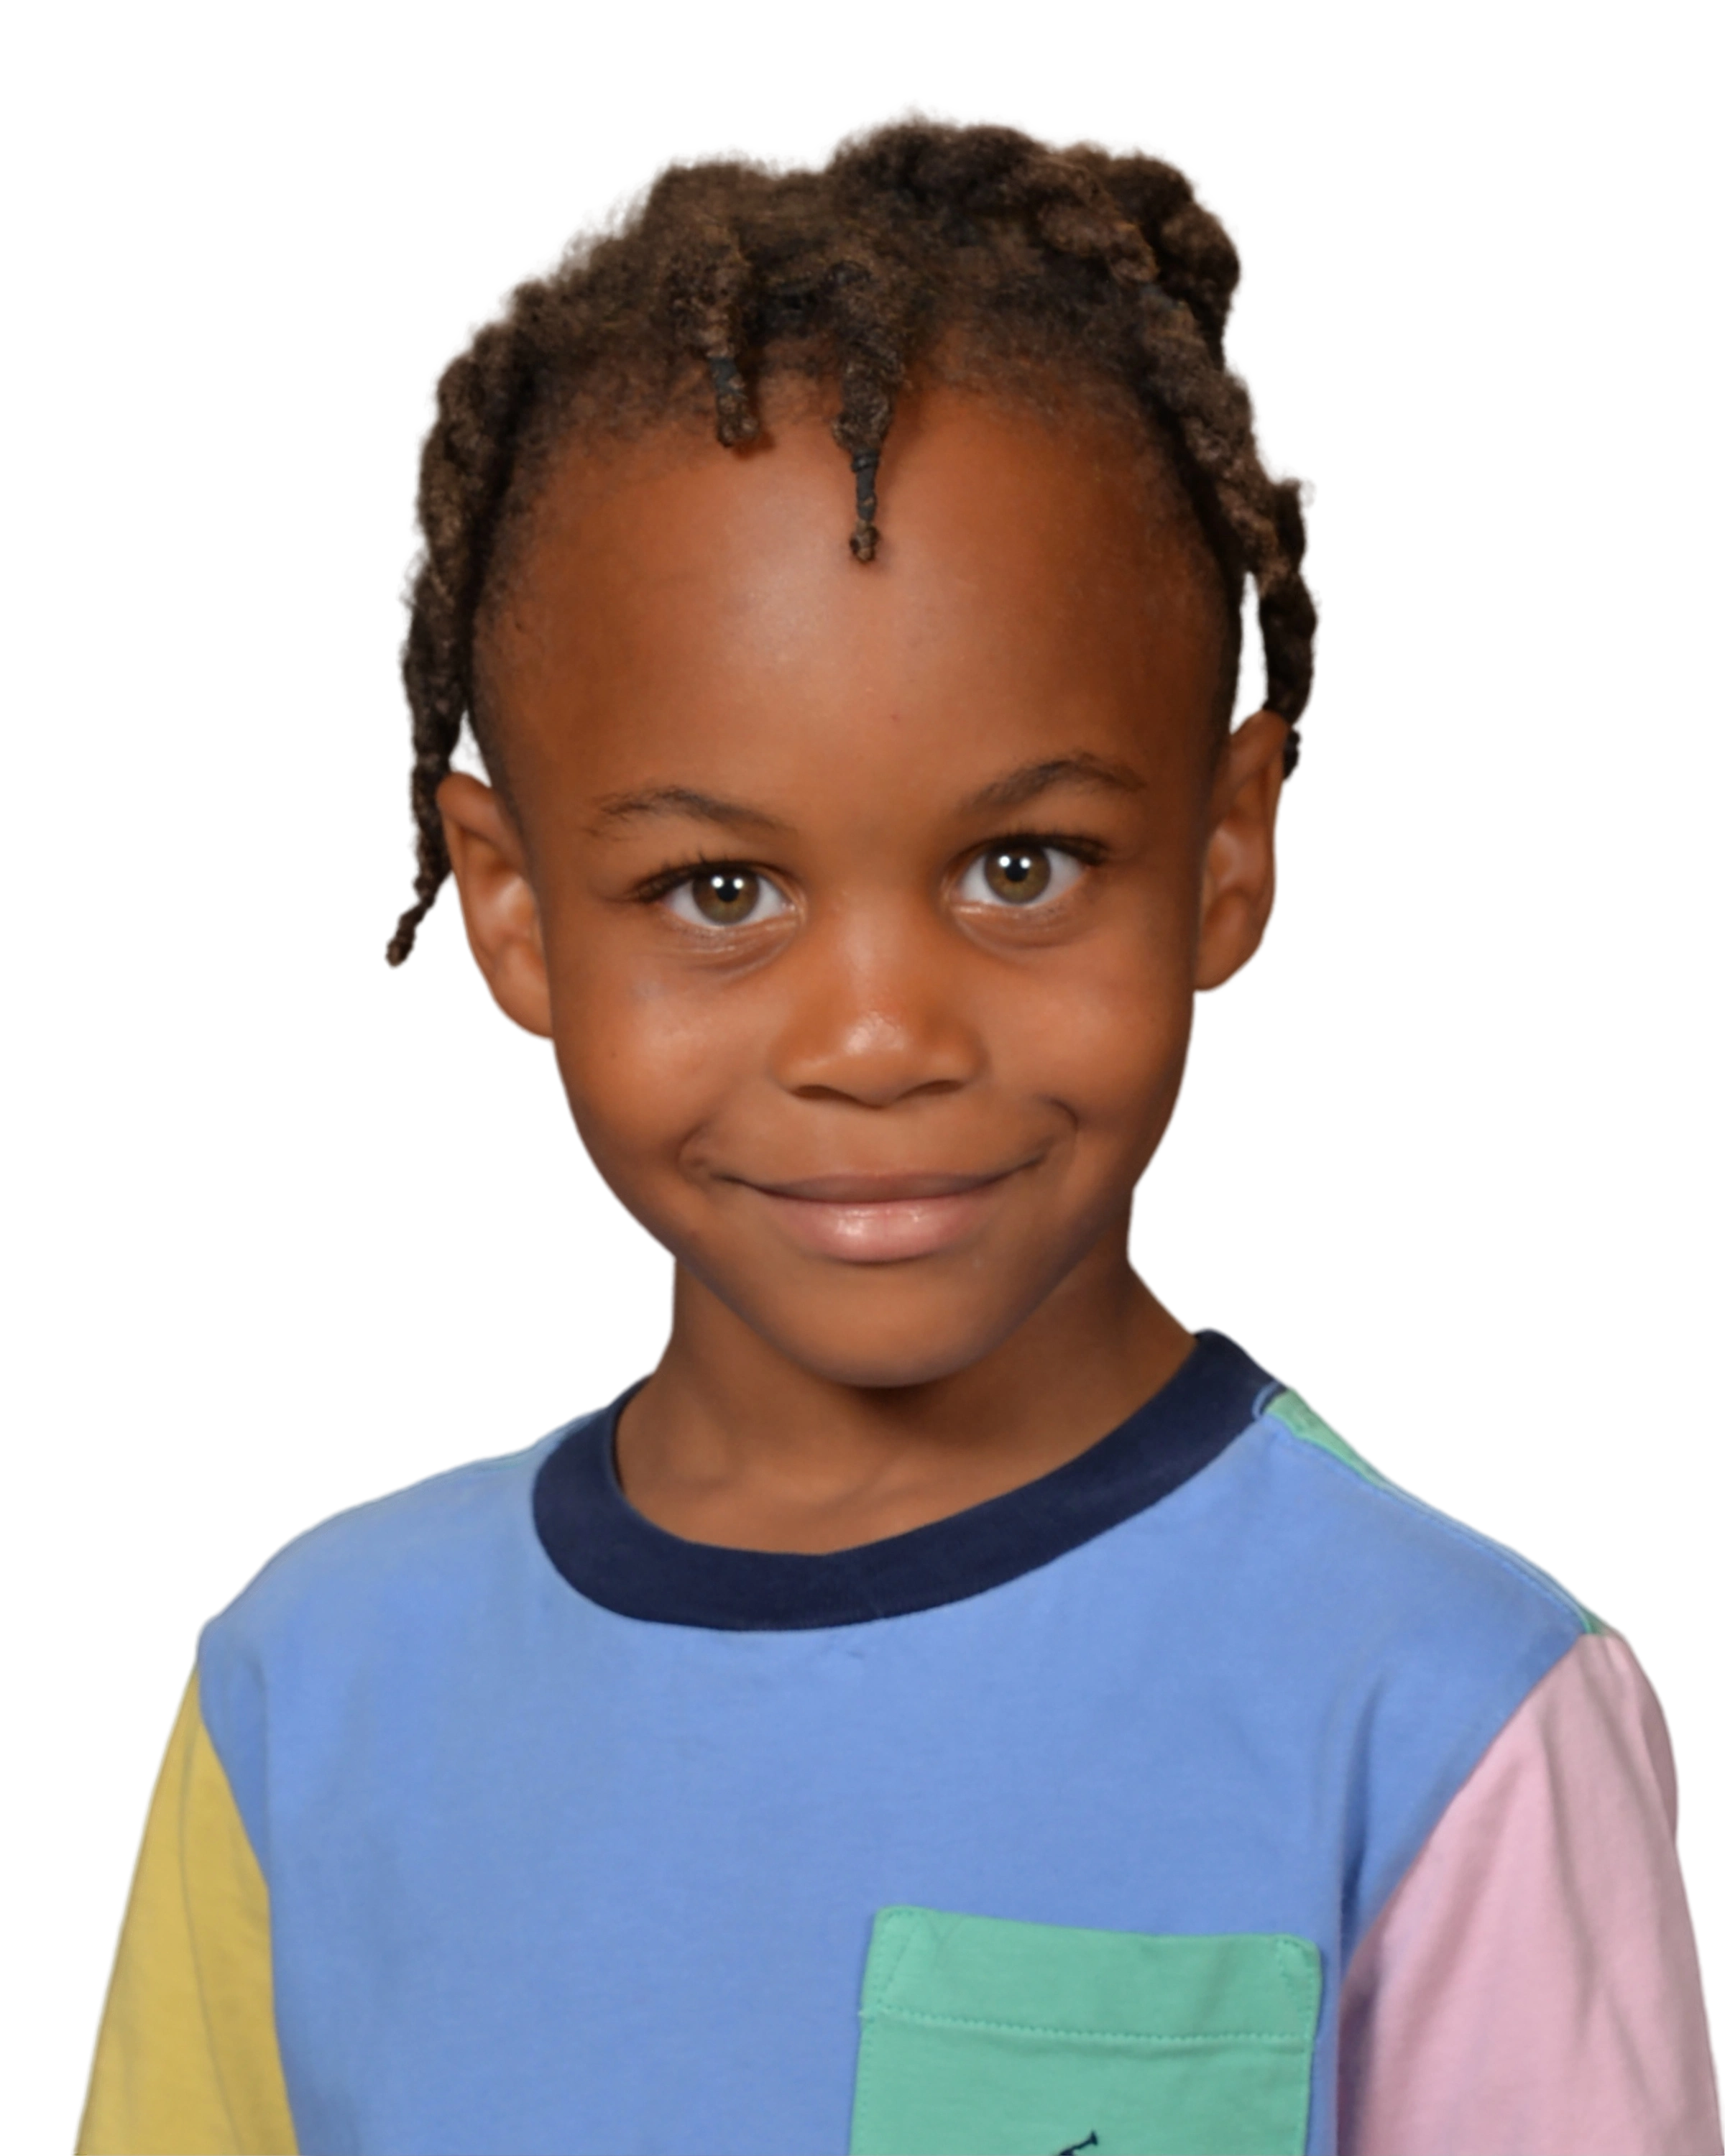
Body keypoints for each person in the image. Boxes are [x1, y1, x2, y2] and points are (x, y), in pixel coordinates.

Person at [72, 93, 1722, 2156]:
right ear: (509, 904)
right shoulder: (304, 1693)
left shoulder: (1443, 1715)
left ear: (1230, 849)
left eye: (1023, 867)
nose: (877, 1039)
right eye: (720, 890)